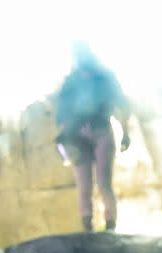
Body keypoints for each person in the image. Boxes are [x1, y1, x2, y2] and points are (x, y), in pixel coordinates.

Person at [55, 42, 131, 232]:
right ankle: (89, 228)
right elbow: (62, 112)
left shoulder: (103, 77)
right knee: (86, 185)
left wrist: (125, 132)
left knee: (102, 183)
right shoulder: (72, 81)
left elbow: (121, 104)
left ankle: (109, 227)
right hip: (80, 135)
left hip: (99, 130)